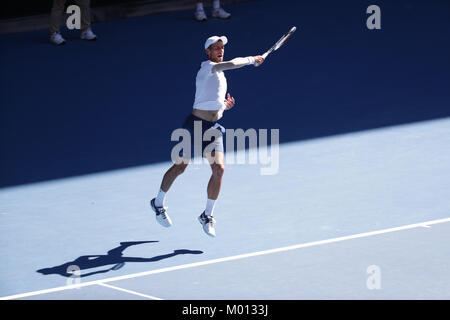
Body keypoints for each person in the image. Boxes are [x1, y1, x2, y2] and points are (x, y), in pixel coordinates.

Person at [150, 36, 264, 237]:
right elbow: (233, 63)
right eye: (215, 48)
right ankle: (158, 203)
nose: (220, 51)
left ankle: (207, 215)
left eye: (222, 48)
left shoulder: (220, 76)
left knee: (219, 169)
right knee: (180, 166)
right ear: (208, 52)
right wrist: (251, 59)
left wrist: (223, 109)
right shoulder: (208, 68)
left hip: (211, 128)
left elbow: (211, 103)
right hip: (193, 125)